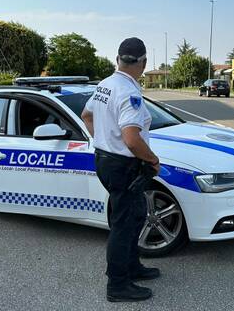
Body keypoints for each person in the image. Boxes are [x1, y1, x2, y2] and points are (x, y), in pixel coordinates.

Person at [81, 37, 161, 302]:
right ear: (143, 63)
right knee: (124, 224)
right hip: (123, 165)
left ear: (117, 59)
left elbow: (87, 115)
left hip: (105, 160)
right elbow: (131, 138)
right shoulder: (128, 92)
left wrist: (102, 139)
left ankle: (132, 267)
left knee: (134, 215)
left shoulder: (105, 85)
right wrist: (152, 160)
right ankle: (117, 285)